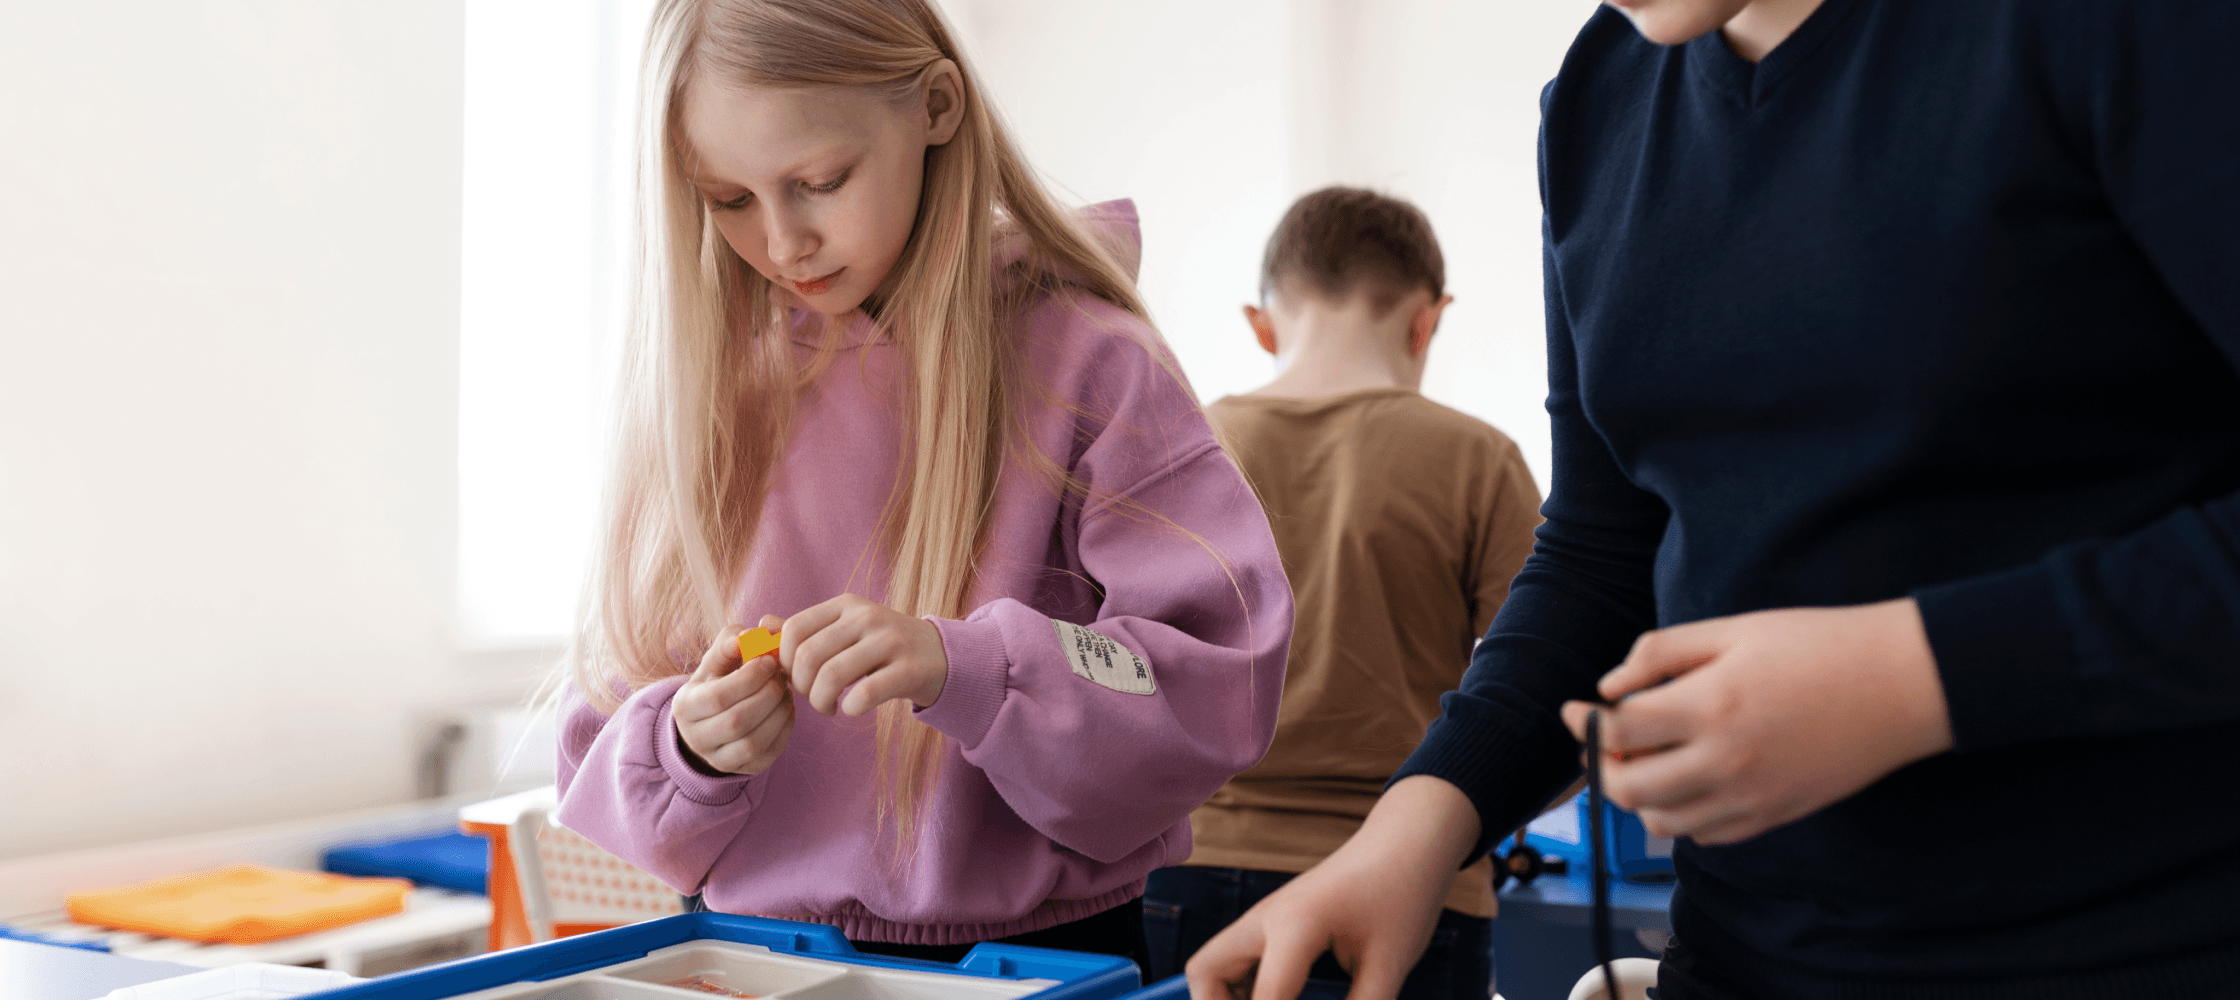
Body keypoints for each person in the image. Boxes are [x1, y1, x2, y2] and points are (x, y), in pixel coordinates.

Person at [1187, 0, 2240, 998]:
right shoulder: (1598, 98)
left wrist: (1913, 678)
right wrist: (1416, 828)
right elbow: (1601, 554)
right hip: (1740, 955)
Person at [547, 0, 1291, 967]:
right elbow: (601, 731)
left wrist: (967, 669)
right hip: (755, 963)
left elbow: (1212, 688)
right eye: (728, 200)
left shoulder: (1095, 364)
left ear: (937, 106)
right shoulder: (710, 390)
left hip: (1043, 966)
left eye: (820, 182)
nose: (782, 242)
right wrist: (688, 747)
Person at [1141, 188, 1541, 1000]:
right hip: (1408, 888)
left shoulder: (1181, 448)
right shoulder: (1479, 459)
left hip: (1186, 872)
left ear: (1262, 324)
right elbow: (1549, 695)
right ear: (1427, 321)